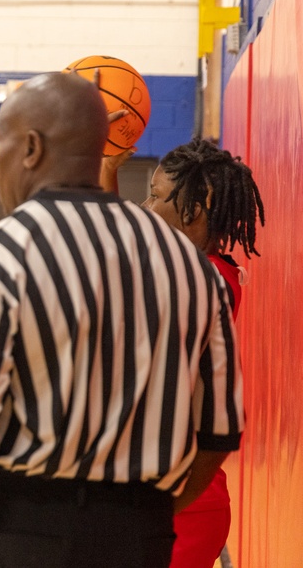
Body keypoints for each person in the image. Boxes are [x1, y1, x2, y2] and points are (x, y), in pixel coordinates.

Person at [0, 72, 244, 568]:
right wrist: (144, 514)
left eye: (0, 139)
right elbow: (220, 432)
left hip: (11, 535)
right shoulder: (190, 266)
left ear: (33, 148)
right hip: (139, 537)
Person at [102, 138, 264, 568]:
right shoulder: (194, 268)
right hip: (156, 498)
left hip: (185, 506)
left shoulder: (204, 279)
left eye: (155, 196)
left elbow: (118, 260)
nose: (146, 205)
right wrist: (106, 169)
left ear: (195, 207)